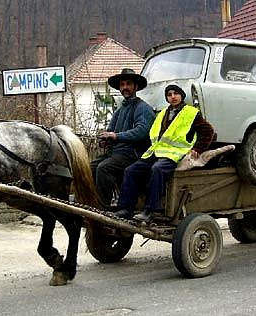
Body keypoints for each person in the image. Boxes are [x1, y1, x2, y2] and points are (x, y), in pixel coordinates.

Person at [114, 84, 214, 223]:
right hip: (155, 153)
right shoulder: (161, 114)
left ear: (181, 96)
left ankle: (150, 211)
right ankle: (125, 208)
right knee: (131, 170)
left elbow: (208, 131)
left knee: (157, 169)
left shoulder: (191, 113)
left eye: (176, 93)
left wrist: (197, 149)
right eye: (169, 94)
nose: (173, 97)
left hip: (174, 155)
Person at [91, 68, 155, 208]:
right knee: (90, 167)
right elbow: (110, 131)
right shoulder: (120, 110)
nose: (125, 87)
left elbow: (142, 131)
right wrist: (105, 140)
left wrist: (116, 136)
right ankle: (89, 203)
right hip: (116, 154)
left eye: (128, 84)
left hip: (133, 154)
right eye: (122, 85)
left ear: (135, 87)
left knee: (104, 168)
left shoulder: (143, 108)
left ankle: (102, 209)